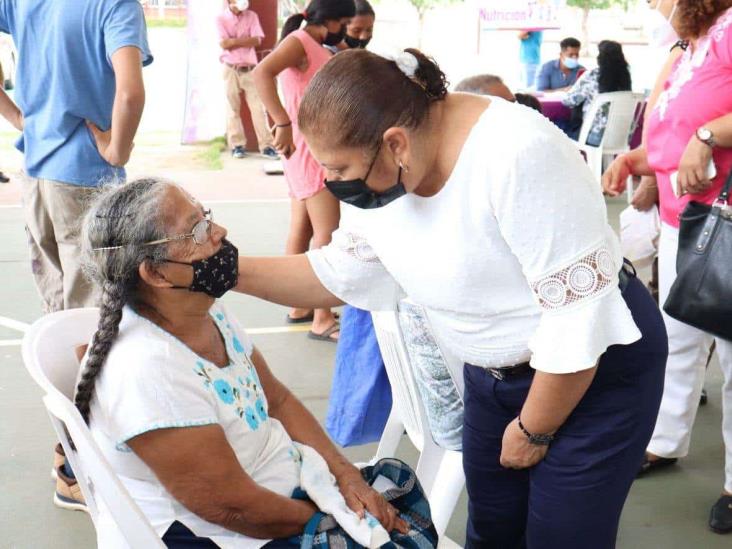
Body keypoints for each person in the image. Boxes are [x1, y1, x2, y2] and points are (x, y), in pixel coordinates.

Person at [236, 47, 669, 547]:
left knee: (563, 535)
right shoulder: (383, 169)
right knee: (492, 529)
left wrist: (533, 429)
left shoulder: (517, 154)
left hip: (592, 370)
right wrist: (226, 272)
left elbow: (577, 321)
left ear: (395, 144)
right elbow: (340, 274)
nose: (332, 184)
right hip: (493, 374)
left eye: (338, 169)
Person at [74, 178, 412, 548]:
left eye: (207, 216)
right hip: (220, 532)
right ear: (156, 274)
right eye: (197, 230)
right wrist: (336, 520)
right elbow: (233, 509)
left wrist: (346, 475)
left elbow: (277, 400)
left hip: (275, 488)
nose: (219, 231)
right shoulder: (149, 369)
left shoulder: (205, 312)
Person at [0, 0, 152, 511]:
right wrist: (118, 150)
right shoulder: (113, 5)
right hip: (84, 182)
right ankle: (76, 461)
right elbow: (130, 90)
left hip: (37, 179)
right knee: (92, 328)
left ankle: (71, 451)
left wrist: (20, 117)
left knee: (61, 323)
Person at [602, 0, 732, 534]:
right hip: (688, 216)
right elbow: (671, 120)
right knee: (676, 335)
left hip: (723, 218)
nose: (653, 4)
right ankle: (664, 440)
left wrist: (707, 139)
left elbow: (702, 125)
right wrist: (642, 160)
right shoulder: (692, 41)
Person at [252, 0, 355, 342]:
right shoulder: (299, 42)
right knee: (327, 235)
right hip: (310, 149)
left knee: (302, 228)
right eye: (347, 24)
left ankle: (299, 305)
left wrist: (339, 45)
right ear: (334, 20)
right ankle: (322, 317)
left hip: (307, 147)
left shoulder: (315, 42)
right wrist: (280, 120)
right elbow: (260, 72)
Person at [216, 0, 278, 160]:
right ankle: (237, 146)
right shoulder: (221, 18)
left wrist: (233, 41)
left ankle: (267, 146)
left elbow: (257, 40)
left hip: (250, 69)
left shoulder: (252, 16)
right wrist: (244, 40)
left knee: (259, 108)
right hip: (230, 69)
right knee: (232, 109)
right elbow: (223, 44)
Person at [562, 40, 632, 143]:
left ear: (601, 58)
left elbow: (568, 101)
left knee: (562, 128)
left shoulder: (593, 75)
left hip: (594, 136)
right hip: (622, 136)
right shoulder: (626, 78)